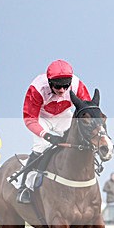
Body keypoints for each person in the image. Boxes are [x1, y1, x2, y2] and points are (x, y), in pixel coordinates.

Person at [18, 59, 91, 204]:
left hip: (63, 115)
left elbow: (87, 109)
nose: (62, 90)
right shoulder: (37, 88)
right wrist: (47, 136)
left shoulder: (77, 85)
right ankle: (24, 186)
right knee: (41, 147)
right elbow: (30, 119)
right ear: (50, 82)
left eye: (66, 85)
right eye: (58, 86)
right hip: (41, 118)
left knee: (80, 140)